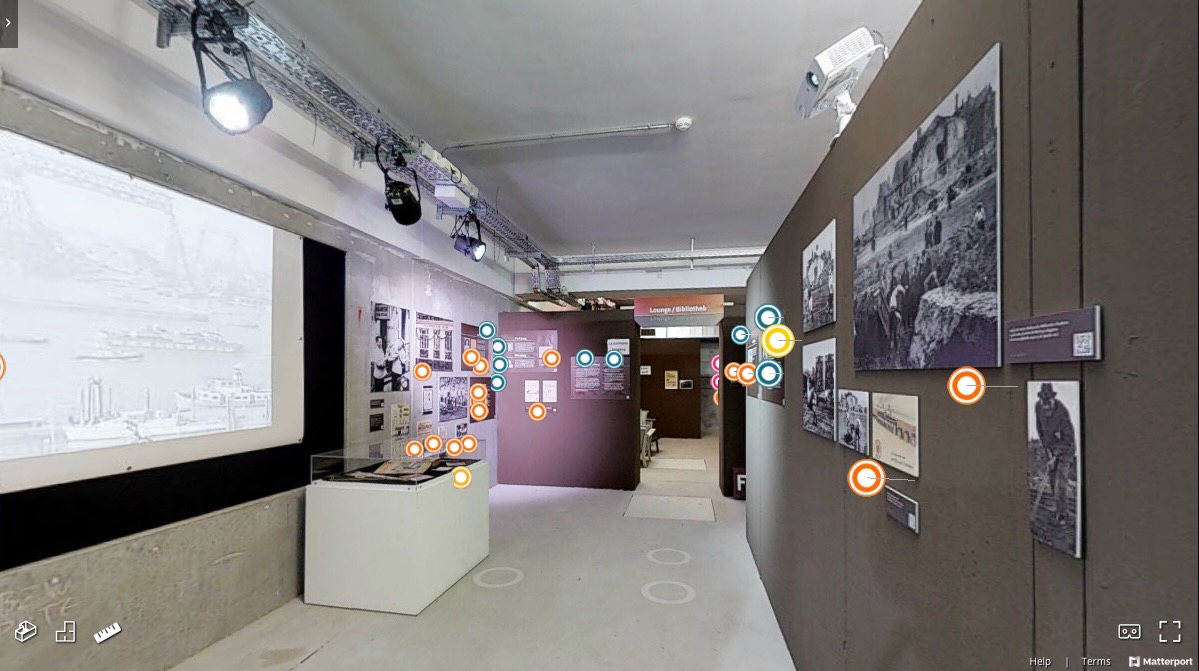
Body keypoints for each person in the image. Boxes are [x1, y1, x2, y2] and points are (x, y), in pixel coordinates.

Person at [1035, 383, 1076, 525]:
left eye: (1048, 403)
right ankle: (1059, 509)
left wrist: (1055, 457)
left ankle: (1063, 516)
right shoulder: (1038, 407)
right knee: (1052, 480)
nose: (1046, 407)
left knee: (1060, 482)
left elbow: (1068, 439)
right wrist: (1047, 450)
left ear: (1053, 400)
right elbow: (1040, 430)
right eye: (1044, 403)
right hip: (1051, 447)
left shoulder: (1062, 412)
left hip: (1066, 449)